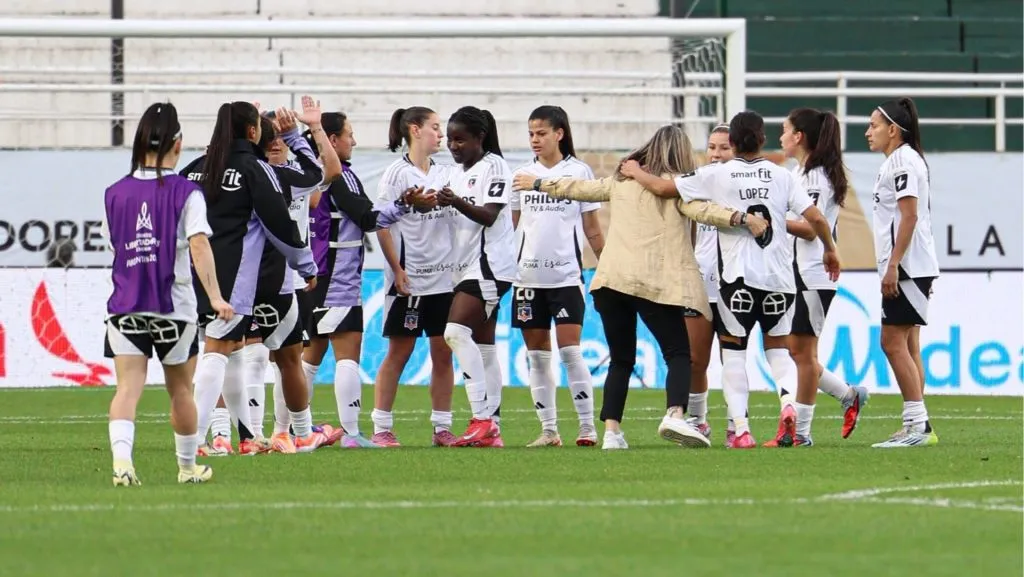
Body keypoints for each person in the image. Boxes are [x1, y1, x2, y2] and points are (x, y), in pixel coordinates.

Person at [516, 125, 768, 450]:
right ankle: (675, 413)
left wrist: (536, 182)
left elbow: (578, 188)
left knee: (621, 359)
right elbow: (705, 211)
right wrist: (744, 218)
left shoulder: (620, 182)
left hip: (610, 281)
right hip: (653, 282)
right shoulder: (677, 188)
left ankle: (611, 432)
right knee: (678, 352)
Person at [623, 112, 840, 449]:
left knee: (733, 356)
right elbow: (816, 219)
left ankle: (740, 430)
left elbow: (665, 189)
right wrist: (831, 250)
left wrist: (635, 171)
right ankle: (786, 404)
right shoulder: (782, 176)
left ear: (734, 144)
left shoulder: (718, 175)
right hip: (780, 281)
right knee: (780, 353)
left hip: (736, 280)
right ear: (762, 140)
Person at [180, 101, 319, 456]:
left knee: (231, 354)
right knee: (217, 352)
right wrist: (306, 265)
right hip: (234, 279)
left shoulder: (195, 169)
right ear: (253, 131)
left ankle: (245, 437)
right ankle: (194, 440)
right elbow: (281, 225)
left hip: (193, 275)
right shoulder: (255, 169)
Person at [104, 102, 231, 486]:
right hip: (173, 307)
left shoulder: (115, 193)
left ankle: (122, 464)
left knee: (128, 388)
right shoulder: (186, 192)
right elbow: (198, 245)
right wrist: (215, 296)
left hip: (125, 305)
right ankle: (187, 467)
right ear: (178, 144)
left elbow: (117, 247)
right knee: (180, 391)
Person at [301, 111, 435, 448]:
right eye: (349, 134)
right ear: (331, 141)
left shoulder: (304, 176)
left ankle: (293, 430)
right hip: (337, 277)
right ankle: (350, 434)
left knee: (308, 358)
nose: (354, 141)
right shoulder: (339, 177)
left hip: (309, 275)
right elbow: (366, 217)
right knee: (347, 354)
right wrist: (404, 204)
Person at [509, 106, 605, 448]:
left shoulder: (579, 172)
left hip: (566, 278)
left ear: (559, 133)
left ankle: (586, 428)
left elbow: (592, 228)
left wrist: (606, 267)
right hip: (527, 280)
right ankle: (549, 430)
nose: (535, 139)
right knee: (536, 357)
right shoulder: (520, 175)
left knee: (571, 353)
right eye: (531, 133)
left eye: (542, 133)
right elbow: (512, 228)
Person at [780, 108, 870, 446]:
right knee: (795, 350)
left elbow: (808, 228)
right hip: (800, 272)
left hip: (815, 274)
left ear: (799, 136)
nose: (782, 137)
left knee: (803, 354)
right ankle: (849, 395)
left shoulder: (816, 177)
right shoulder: (801, 172)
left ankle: (801, 433)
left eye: (785, 130)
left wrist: (771, 219)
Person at [371, 106, 459, 447]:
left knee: (443, 353)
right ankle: (381, 427)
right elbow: (380, 223)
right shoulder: (396, 175)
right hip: (410, 281)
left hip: (443, 281)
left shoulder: (446, 174)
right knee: (399, 353)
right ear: (414, 130)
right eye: (435, 127)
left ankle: (442, 428)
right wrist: (397, 270)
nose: (441, 134)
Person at [435, 106, 517, 448]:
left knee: (454, 333)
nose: (454, 146)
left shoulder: (495, 167)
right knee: (484, 347)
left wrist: (454, 202)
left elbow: (488, 215)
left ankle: (481, 418)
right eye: (451, 139)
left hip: (489, 266)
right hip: (464, 266)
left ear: (479, 138)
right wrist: (431, 202)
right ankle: (492, 428)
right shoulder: (455, 173)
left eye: (461, 139)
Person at [865, 98, 939, 448]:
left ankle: (917, 425)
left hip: (907, 267)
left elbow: (909, 217)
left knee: (891, 342)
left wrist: (893, 264)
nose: (868, 132)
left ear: (893, 129)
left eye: (874, 125)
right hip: (911, 266)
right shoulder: (900, 160)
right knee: (908, 344)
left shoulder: (903, 161)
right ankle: (916, 422)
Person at [684, 123, 731, 442]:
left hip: (735, 285)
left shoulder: (746, 185)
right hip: (700, 282)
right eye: (712, 147)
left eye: (724, 148)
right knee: (695, 359)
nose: (716, 154)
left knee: (733, 360)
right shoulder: (696, 182)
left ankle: (735, 422)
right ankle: (698, 421)